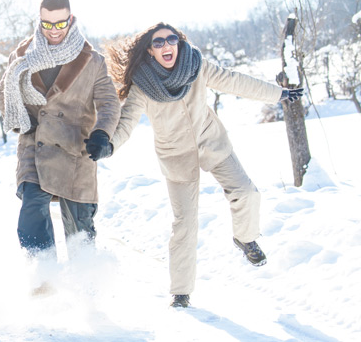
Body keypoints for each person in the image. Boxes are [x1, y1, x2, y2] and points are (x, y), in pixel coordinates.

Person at [107, 22, 303, 308]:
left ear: (178, 41)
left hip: (211, 141)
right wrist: (109, 145)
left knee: (247, 192)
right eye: (158, 43)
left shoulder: (195, 64)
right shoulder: (143, 86)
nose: (166, 46)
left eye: (170, 39)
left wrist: (278, 94)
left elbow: (234, 80)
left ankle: (246, 239)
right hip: (176, 155)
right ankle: (181, 292)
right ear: (150, 51)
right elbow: (126, 123)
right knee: (185, 224)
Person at [0, 0, 120, 290]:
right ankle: (44, 280)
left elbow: (109, 103)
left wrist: (102, 133)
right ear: (39, 22)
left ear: (71, 19)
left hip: (76, 149)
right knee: (31, 214)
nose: (54, 30)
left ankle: (86, 288)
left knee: (79, 228)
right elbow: (7, 94)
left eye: (60, 23)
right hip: (34, 144)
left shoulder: (92, 60)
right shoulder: (22, 57)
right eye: (47, 24)